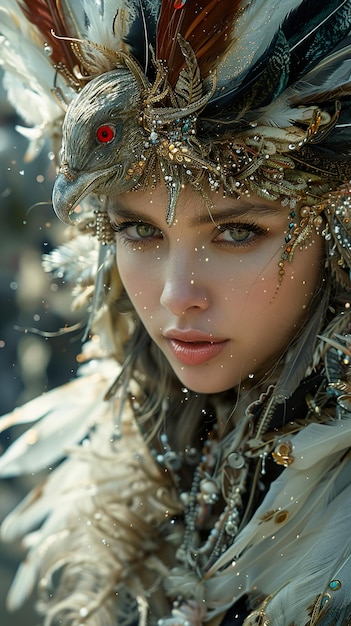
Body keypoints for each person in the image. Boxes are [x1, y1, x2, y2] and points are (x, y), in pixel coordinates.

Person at [0, 1, 351, 624]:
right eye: (139, 231)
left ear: (338, 234)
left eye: (237, 233)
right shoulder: (111, 468)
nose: (174, 295)